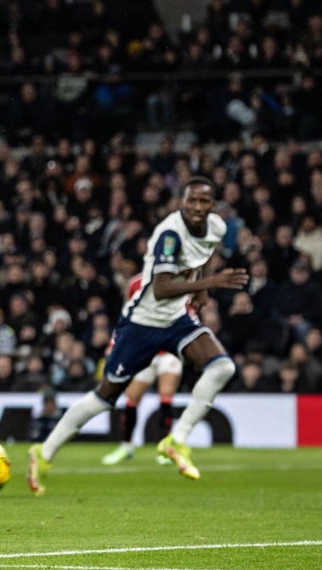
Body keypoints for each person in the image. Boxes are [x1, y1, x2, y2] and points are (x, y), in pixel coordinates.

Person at [28, 177, 248, 496]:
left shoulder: (216, 227)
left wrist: (200, 292)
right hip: (141, 323)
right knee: (105, 397)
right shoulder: (169, 234)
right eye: (192, 201)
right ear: (182, 203)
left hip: (176, 319)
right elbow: (160, 289)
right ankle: (43, 454)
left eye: (204, 202)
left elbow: (198, 261)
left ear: (213, 205)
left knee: (222, 367)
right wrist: (208, 284)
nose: (198, 208)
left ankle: (177, 439)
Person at [101, 273, 184, 466]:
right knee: (131, 399)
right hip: (143, 350)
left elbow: (187, 313)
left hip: (168, 350)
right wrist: (116, 344)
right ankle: (127, 446)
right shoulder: (135, 283)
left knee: (166, 396)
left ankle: (166, 449)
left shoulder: (177, 281)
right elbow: (128, 316)